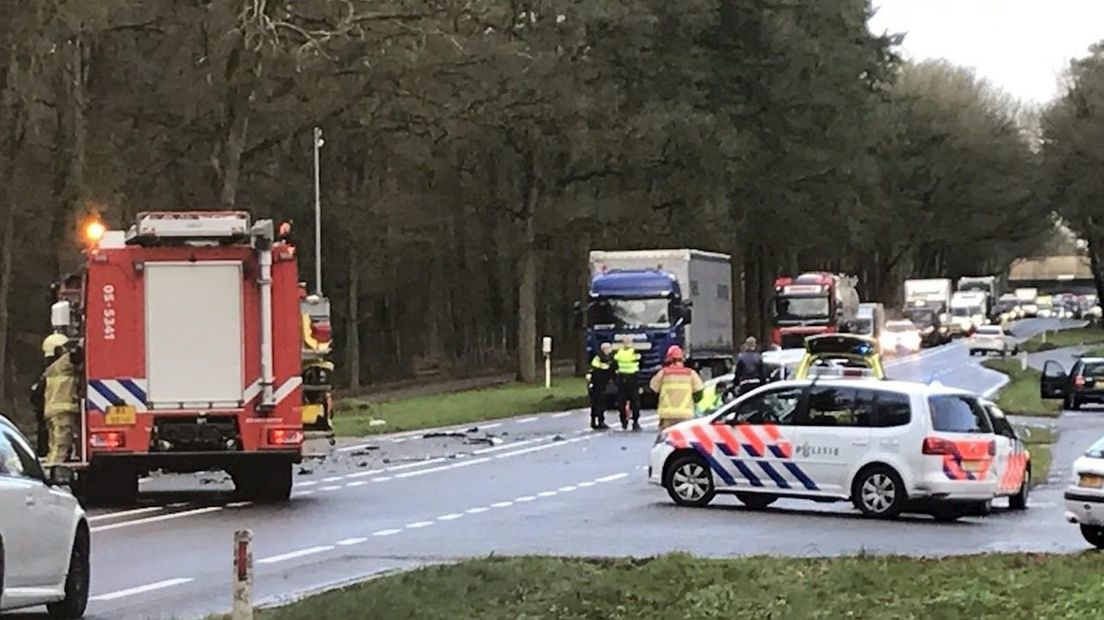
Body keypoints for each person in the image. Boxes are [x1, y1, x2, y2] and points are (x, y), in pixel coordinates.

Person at [42, 332, 79, 465]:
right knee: (60, 447)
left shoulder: (51, 370)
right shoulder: (62, 364)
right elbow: (77, 353)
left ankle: (51, 467)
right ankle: (53, 470)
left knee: (54, 446)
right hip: (63, 412)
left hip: (53, 412)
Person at [651, 346, 704, 429]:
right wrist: (692, 401)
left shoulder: (664, 373)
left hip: (667, 416)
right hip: (685, 415)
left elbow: (653, 389)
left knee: (667, 440)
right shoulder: (690, 373)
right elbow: (699, 392)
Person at [613, 335, 642, 431]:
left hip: (630, 378)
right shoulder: (625, 353)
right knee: (623, 402)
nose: (627, 344)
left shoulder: (622, 353)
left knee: (634, 402)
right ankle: (626, 422)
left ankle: (634, 422)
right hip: (625, 378)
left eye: (628, 342)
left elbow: (641, 363)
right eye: (625, 342)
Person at [587, 342, 616, 430]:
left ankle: (600, 420)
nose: (610, 350)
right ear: (604, 349)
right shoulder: (598, 358)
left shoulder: (610, 358)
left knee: (602, 403)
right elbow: (600, 368)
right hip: (597, 383)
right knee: (596, 403)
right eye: (609, 348)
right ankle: (596, 421)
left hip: (604, 384)